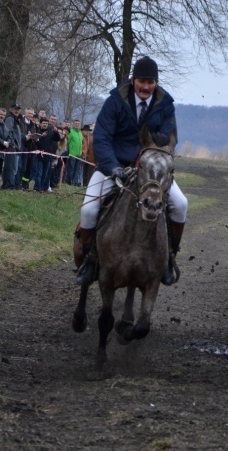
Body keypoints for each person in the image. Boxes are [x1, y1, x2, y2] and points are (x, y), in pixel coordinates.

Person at [76, 55, 187, 286]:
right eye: (142, 82)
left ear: (156, 83)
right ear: (133, 80)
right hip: (114, 166)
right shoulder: (115, 101)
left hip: (150, 170)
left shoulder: (165, 104)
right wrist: (113, 166)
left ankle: (169, 257)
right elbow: (102, 138)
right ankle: (90, 260)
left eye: (151, 82)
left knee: (181, 204)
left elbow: (169, 136)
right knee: (88, 210)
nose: (146, 87)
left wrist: (157, 147)